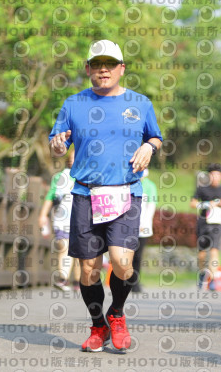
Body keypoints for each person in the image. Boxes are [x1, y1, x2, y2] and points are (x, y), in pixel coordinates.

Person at [48, 40, 162, 352]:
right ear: (88, 69)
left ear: (121, 69)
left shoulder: (140, 103)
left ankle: (117, 314)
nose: (103, 69)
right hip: (86, 194)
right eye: (97, 64)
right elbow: (56, 142)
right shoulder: (73, 104)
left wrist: (149, 146)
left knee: (123, 264)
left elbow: (155, 136)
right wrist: (57, 146)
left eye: (110, 64)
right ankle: (99, 326)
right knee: (87, 269)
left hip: (126, 193)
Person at [38, 150, 80, 292]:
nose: (73, 160)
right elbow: (50, 196)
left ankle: (78, 281)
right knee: (63, 246)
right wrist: (43, 215)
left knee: (80, 251)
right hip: (62, 218)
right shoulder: (59, 177)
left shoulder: (87, 176)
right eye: (72, 157)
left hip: (81, 218)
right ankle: (63, 279)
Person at [190, 163, 221, 291]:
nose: (216, 177)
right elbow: (193, 203)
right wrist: (207, 205)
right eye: (214, 175)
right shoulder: (202, 189)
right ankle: (202, 274)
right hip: (203, 222)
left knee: (215, 250)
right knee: (202, 253)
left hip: (217, 223)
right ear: (210, 176)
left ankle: (213, 279)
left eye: (219, 175)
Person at [131, 169, 157, 293]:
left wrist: (142, 224)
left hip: (143, 228)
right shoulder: (128, 184)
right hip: (128, 227)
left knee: (137, 256)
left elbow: (150, 208)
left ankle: (134, 282)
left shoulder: (149, 186)